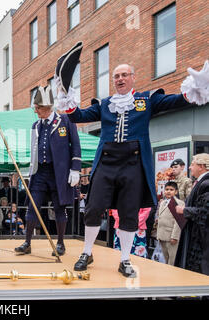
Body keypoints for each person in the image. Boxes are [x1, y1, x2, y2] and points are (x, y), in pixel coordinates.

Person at [57, 53, 208, 277]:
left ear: (133, 78)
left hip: (133, 164)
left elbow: (177, 100)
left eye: (124, 75)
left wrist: (198, 86)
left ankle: (125, 259)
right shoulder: (105, 103)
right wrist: (65, 95)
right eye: (116, 76)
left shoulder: (146, 100)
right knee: (93, 208)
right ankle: (87, 252)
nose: (120, 79)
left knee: (129, 213)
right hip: (107, 161)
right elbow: (76, 116)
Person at [14, 83, 81, 257]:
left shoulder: (65, 120)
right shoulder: (35, 125)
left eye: (38, 108)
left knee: (59, 209)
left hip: (59, 173)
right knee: (32, 207)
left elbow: (76, 145)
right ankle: (27, 242)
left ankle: (60, 244)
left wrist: (75, 169)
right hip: (40, 173)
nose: (36, 111)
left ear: (47, 107)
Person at [175, 153, 209, 275]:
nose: (189, 167)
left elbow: (205, 212)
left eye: (192, 164)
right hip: (197, 234)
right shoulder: (201, 182)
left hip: (202, 238)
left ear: (201, 166)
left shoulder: (206, 183)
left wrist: (184, 210)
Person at [156, 181, 184, 265]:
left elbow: (178, 221)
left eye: (171, 190)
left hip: (171, 237)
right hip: (162, 235)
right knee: (164, 258)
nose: (168, 191)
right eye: (167, 189)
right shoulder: (163, 202)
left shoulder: (179, 203)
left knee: (172, 259)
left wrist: (175, 237)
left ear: (176, 191)